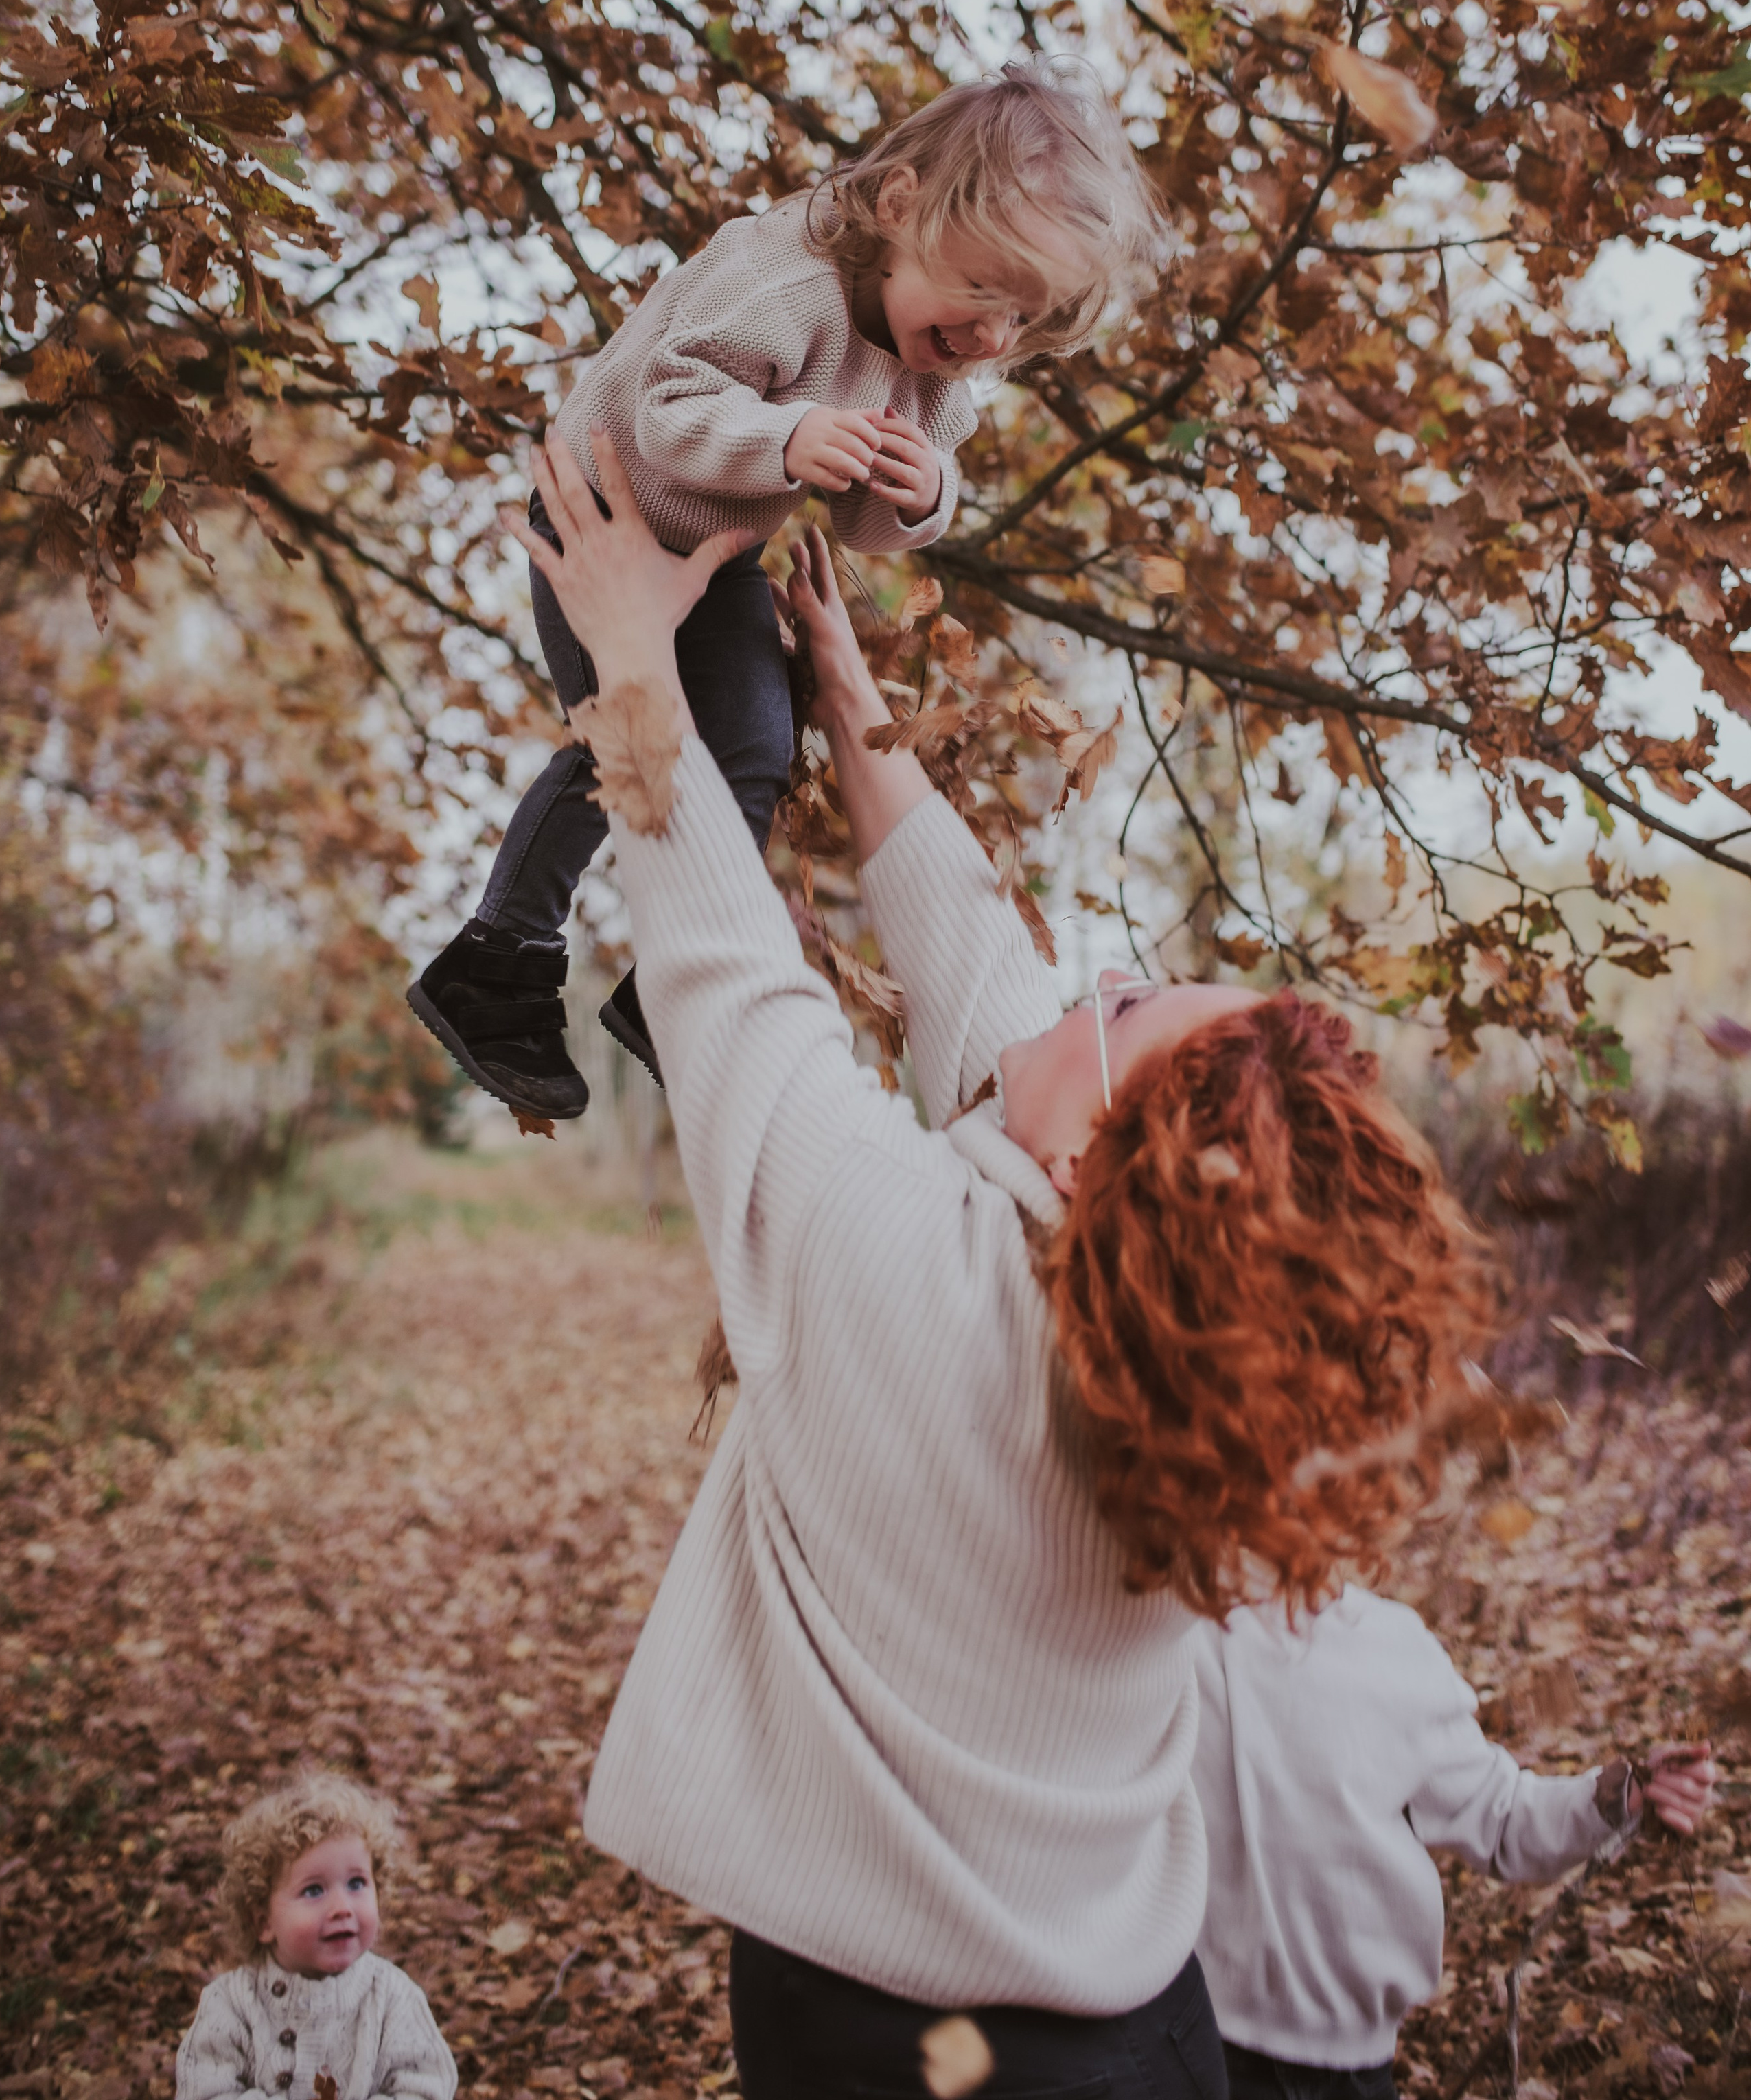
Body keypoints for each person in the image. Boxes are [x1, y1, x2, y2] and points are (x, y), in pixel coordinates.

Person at [503, 425, 1494, 2100]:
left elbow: (724, 954)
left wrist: (621, 648)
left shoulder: (895, 1258)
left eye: (1115, 1002)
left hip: (909, 2052)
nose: (1079, 980)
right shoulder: (1160, 1325)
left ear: (1085, 1159)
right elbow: (982, 967)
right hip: (1150, 2015)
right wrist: (848, 692)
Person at [410, 60, 1164, 1121]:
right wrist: (787, 436)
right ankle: (497, 961)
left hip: (716, 552)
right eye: (984, 294)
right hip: (600, 510)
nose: (991, 340)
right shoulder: (784, 276)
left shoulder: (937, 373)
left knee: (755, 746)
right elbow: (670, 408)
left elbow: (866, 520)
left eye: (1023, 322)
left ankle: (675, 984)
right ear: (901, 204)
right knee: (624, 735)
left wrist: (918, 493)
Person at [1190, 1587, 1717, 2100]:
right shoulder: (1168, 1634)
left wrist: (1625, 1795)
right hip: (1198, 2047)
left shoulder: (1385, 1643)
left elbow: (1502, 1815)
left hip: (1354, 2065)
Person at [175, 1771, 456, 2100]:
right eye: (313, 1890)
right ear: (263, 1922)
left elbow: (426, 2087)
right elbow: (204, 2091)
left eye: (357, 1884)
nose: (342, 1908)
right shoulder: (231, 2004)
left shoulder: (392, 1997)